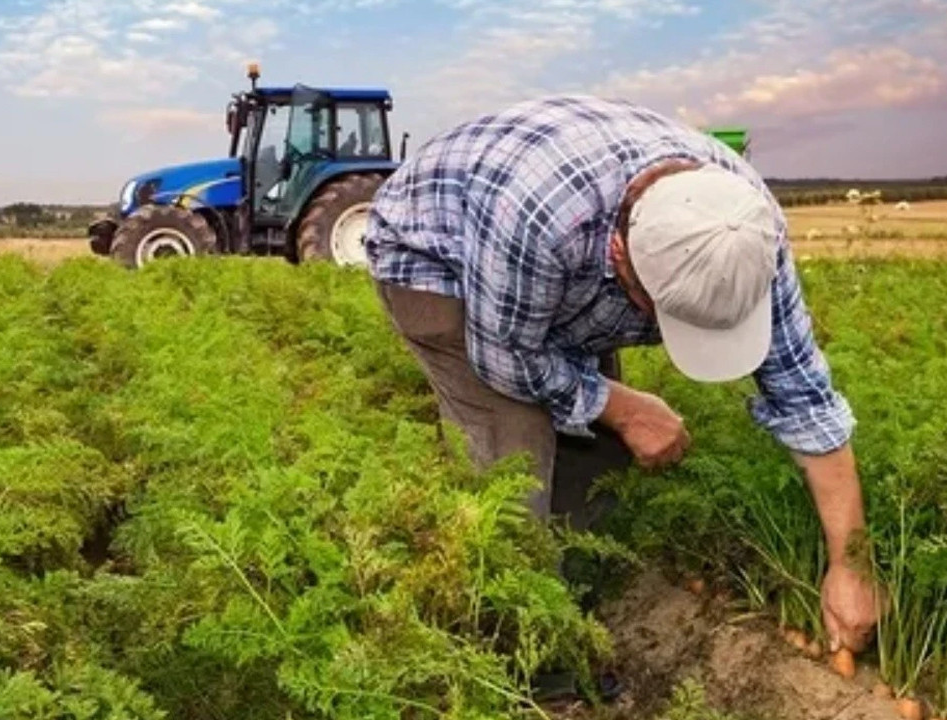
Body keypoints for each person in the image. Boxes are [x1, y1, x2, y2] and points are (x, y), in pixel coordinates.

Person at [363, 95, 879, 662]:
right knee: (514, 463)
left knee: (596, 449)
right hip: (439, 258)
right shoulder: (540, 218)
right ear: (621, 255)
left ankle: (575, 605)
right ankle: (524, 655)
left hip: (551, 263)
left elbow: (804, 397)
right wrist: (622, 405)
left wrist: (850, 565)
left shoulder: (745, 229)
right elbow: (505, 359)